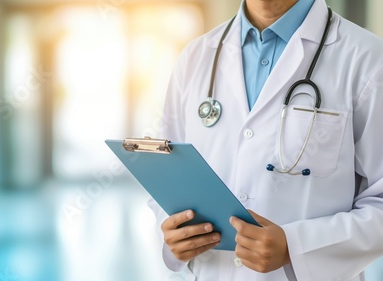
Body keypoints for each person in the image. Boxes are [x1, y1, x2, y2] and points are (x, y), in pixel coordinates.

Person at [148, 0, 383, 280]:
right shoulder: (195, 57)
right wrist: (173, 230)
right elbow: (170, 176)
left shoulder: (368, 59)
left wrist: (295, 247)